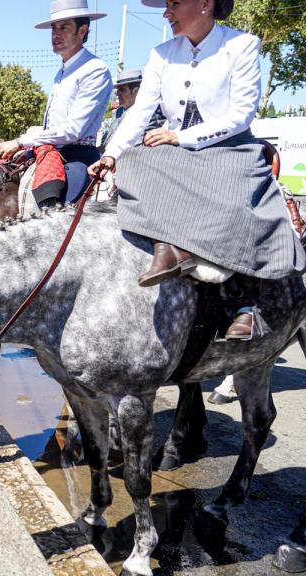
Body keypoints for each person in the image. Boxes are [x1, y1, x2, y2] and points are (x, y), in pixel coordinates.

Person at [90, 0, 305, 340]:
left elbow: (241, 115)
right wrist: (111, 154)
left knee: (239, 200)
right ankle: (169, 247)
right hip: (176, 152)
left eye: (174, 3)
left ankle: (245, 301)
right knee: (133, 163)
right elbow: (139, 112)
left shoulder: (241, 45)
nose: (166, 13)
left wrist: (179, 136)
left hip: (230, 149)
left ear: (205, 4)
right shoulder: (161, 53)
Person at [0, 0, 113, 208]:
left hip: (77, 156)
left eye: (64, 27)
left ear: (82, 30)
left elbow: (74, 129)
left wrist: (21, 141)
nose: (56, 34)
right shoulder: (62, 72)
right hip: (49, 151)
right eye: (54, 28)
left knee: (54, 218)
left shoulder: (95, 69)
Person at [100, 69, 167, 148]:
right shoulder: (119, 112)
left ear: (136, 91)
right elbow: (107, 140)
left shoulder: (147, 115)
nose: (117, 93)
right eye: (117, 90)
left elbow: (136, 148)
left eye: (122, 90)